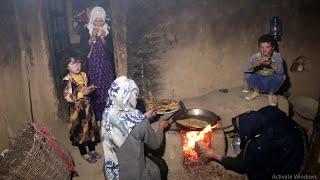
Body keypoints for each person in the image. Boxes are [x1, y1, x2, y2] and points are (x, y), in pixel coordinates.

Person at [197, 106, 306, 180]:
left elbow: (241, 165)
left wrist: (214, 155)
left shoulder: (258, 145)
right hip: (297, 140)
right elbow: (250, 120)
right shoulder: (270, 112)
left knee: (259, 172)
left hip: (287, 165)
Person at [101, 76, 169, 180]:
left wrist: (144, 116)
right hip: (133, 176)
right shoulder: (140, 121)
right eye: (134, 95)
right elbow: (155, 144)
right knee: (161, 165)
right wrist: (161, 127)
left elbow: (124, 122)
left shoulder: (107, 113)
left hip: (112, 171)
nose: (136, 99)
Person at [62, 52, 100, 163]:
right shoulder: (67, 79)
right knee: (80, 130)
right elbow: (67, 96)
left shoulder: (84, 75)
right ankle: (84, 152)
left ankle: (92, 150)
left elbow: (87, 87)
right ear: (67, 66)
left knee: (90, 127)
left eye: (78, 63)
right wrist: (79, 92)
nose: (77, 66)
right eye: (73, 63)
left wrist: (90, 89)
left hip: (88, 107)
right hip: (77, 110)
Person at [80, 6, 115, 122]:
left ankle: (108, 115)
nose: (99, 23)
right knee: (95, 88)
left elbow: (112, 51)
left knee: (107, 88)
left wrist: (104, 39)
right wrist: (93, 37)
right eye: (96, 20)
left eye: (101, 20)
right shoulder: (86, 30)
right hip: (93, 65)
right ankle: (97, 117)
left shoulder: (108, 30)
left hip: (106, 65)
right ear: (92, 20)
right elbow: (83, 49)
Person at [243, 34, 285, 106]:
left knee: (282, 76)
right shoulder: (256, 56)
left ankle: (271, 95)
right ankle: (256, 92)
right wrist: (254, 64)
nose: (264, 50)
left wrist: (271, 63)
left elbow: (281, 72)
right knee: (247, 73)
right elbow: (245, 68)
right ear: (259, 48)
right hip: (259, 84)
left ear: (273, 48)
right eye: (262, 47)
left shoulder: (277, 56)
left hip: (270, 84)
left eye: (267, 47)